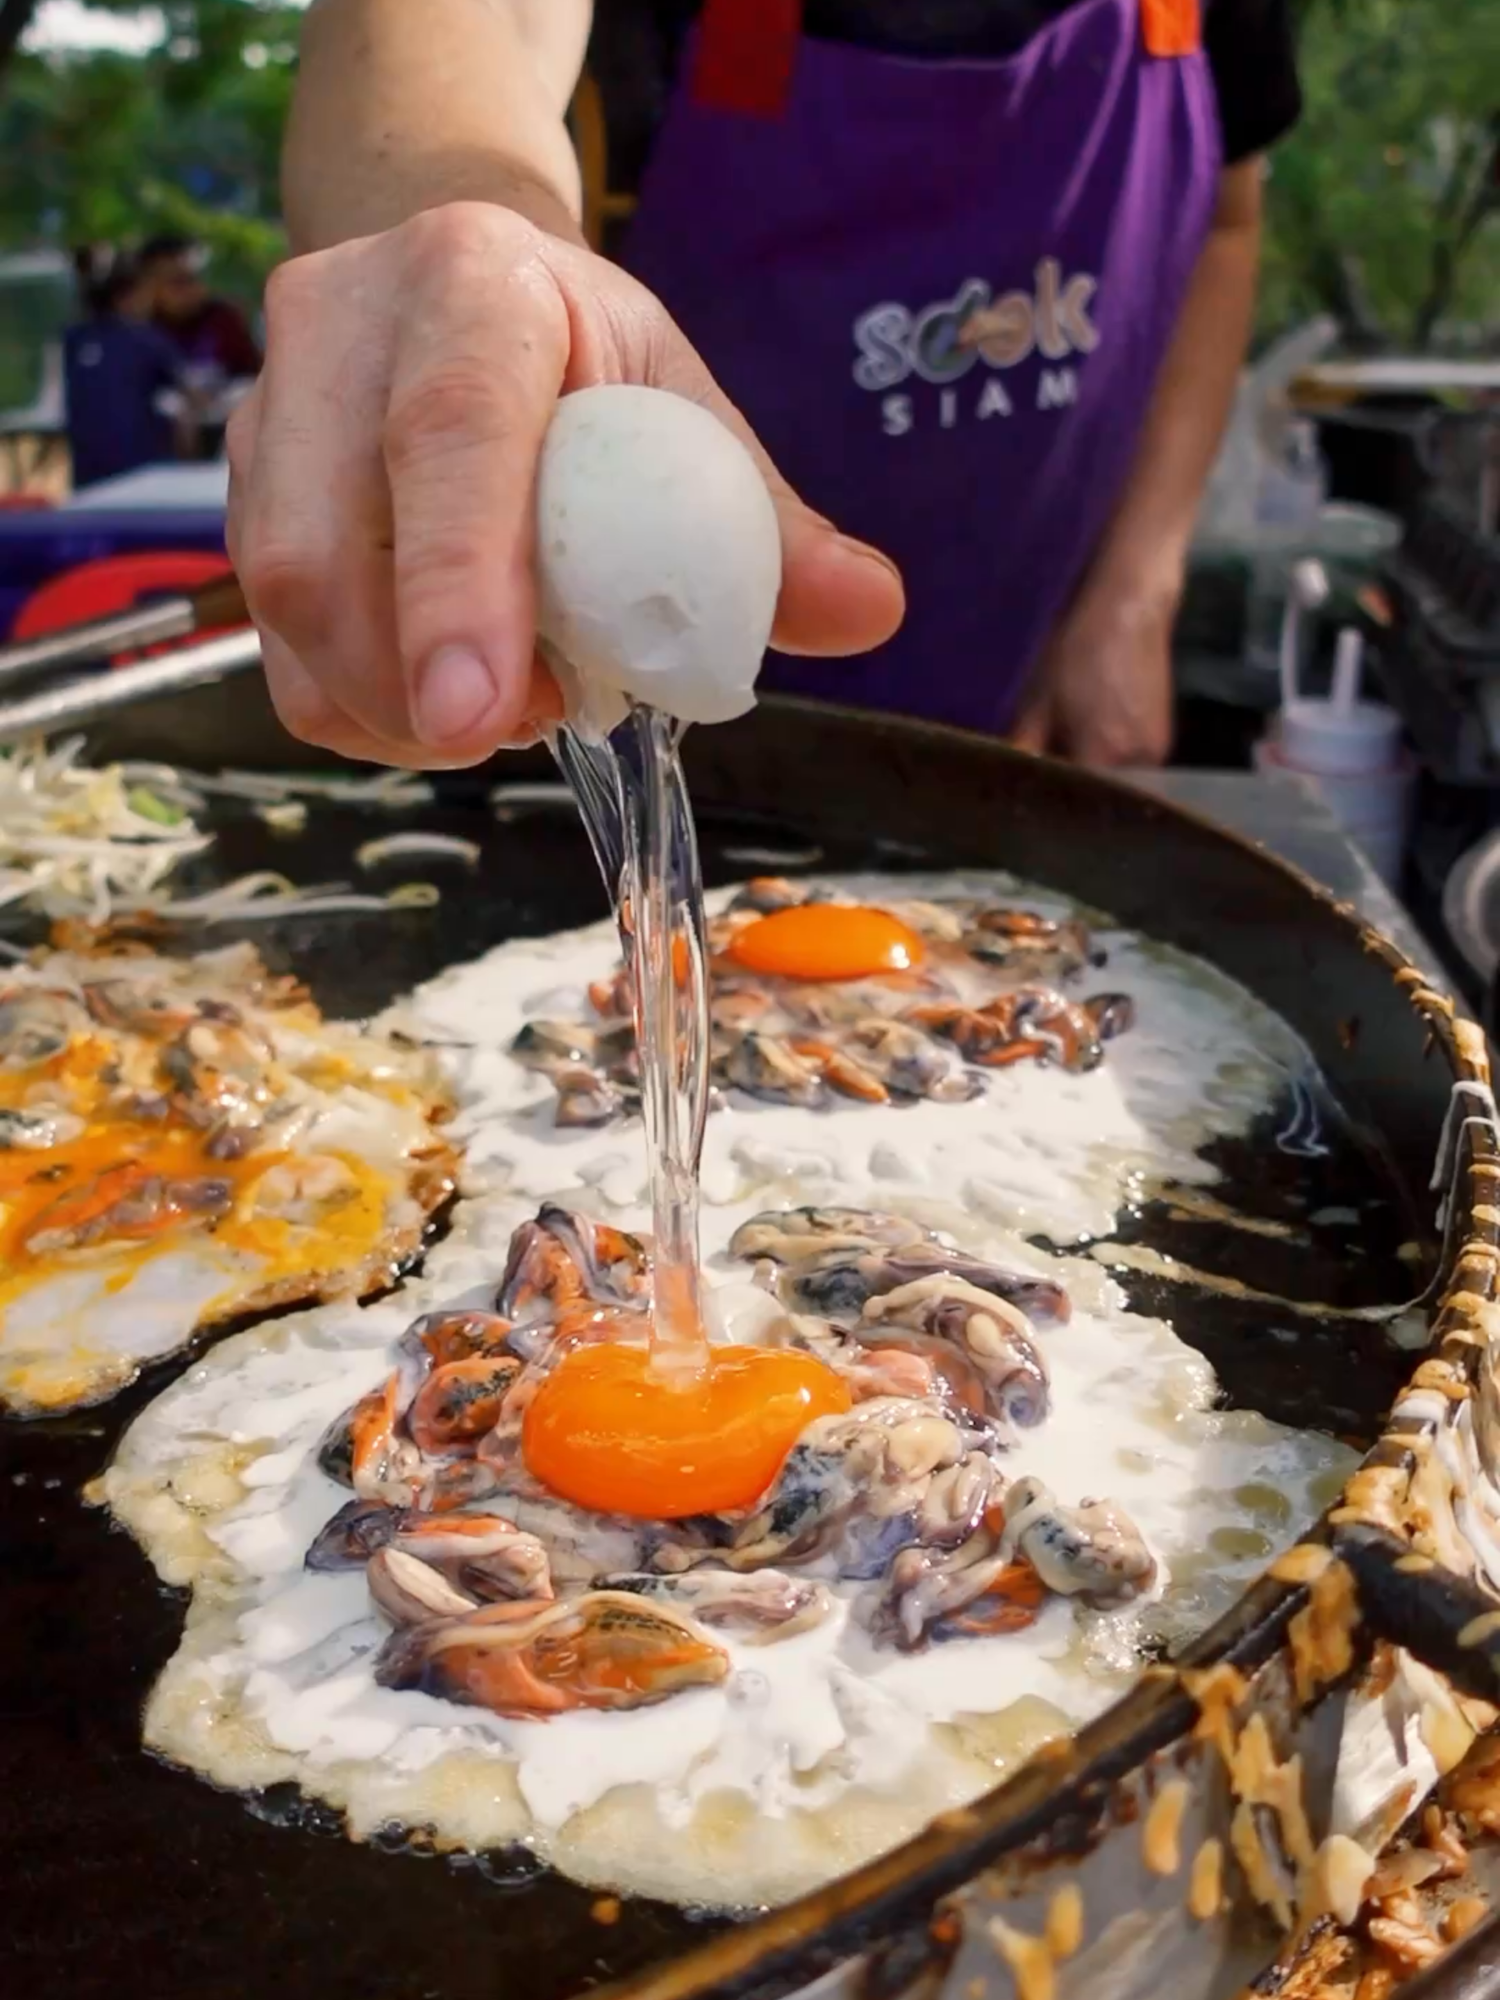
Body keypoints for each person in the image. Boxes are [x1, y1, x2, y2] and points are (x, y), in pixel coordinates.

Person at [230, 0, 1301, 770]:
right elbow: (458, 29)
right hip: (595, 718)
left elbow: (1229, 218)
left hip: (1010, 713)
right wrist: (463, 228)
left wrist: (1137, 585)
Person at [64, 248, 194, 489]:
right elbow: (190, 395)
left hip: (86, 478)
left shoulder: (72, 339)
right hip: (142, 474)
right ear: (127, 297)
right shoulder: (148, 340)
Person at [139, 233, 263, 382]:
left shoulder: (223, 319)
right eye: (178, 282)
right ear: (148, 285)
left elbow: (255, 375)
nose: (193, 289)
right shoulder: (134, 330)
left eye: (196, 278)